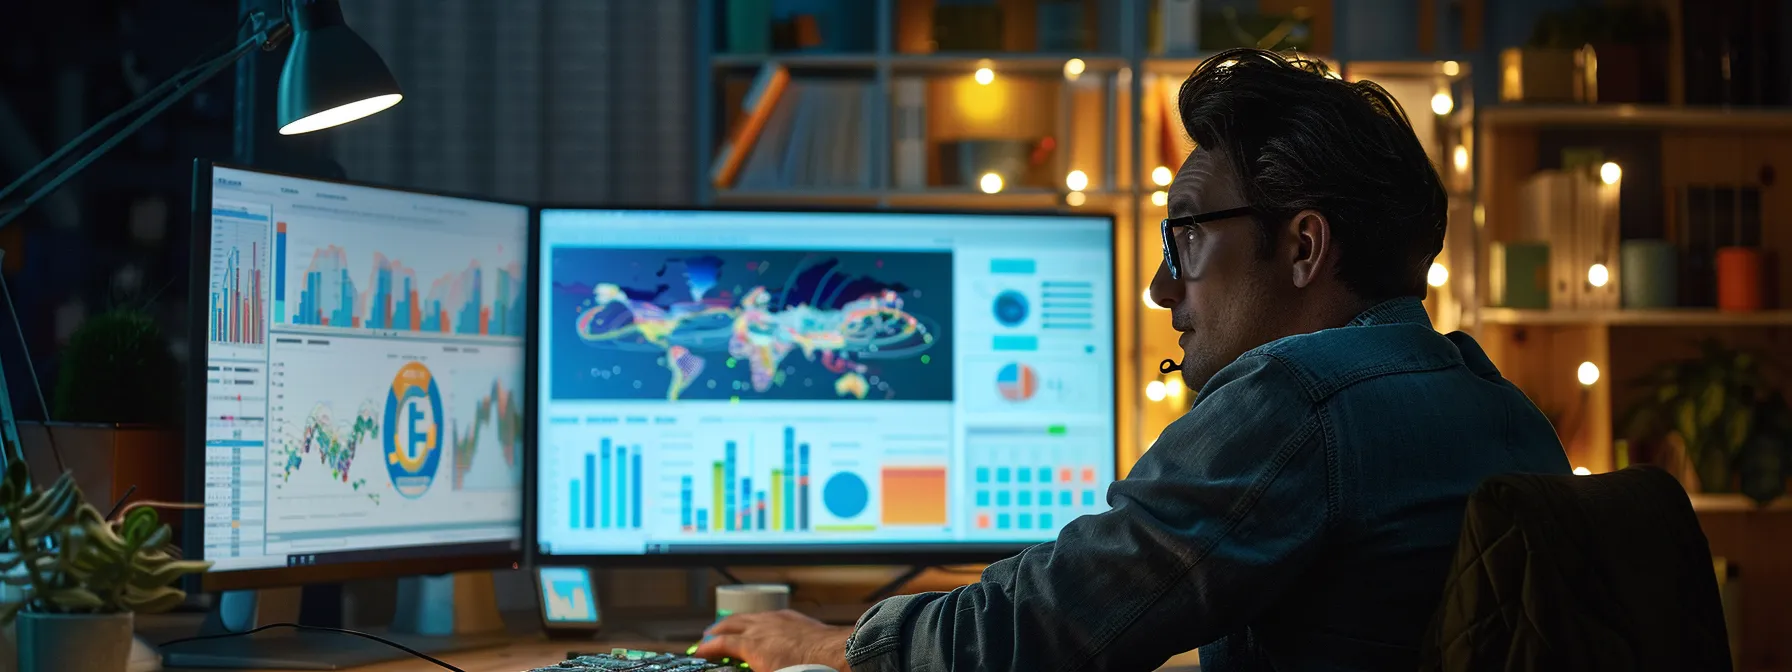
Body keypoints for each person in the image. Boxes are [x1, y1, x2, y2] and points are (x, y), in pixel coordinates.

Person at [694, 47, 1572, 672]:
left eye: (1185, 236)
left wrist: (829, 645)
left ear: (1304, 248)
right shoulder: (1500, 405)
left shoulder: (1298, 400)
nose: (1160, 286)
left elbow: (1046, 629)